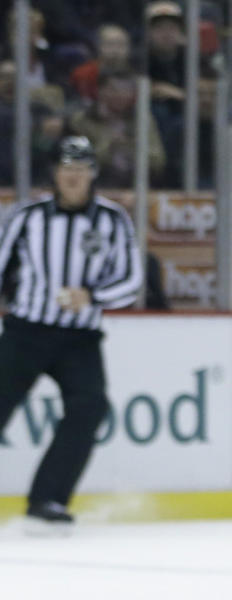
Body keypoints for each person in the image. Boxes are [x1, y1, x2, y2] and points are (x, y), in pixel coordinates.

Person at [0, 135, 142, 529]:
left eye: (81, 169)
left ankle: (47, 499)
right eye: (67, 169)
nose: (74, 177)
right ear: (55, 175)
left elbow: (131, 280)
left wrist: (92, 295)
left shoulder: (113, 220)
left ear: (93, 174)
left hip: (79, 337)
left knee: (89, 407)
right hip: (26, 330)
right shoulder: (26, 217)